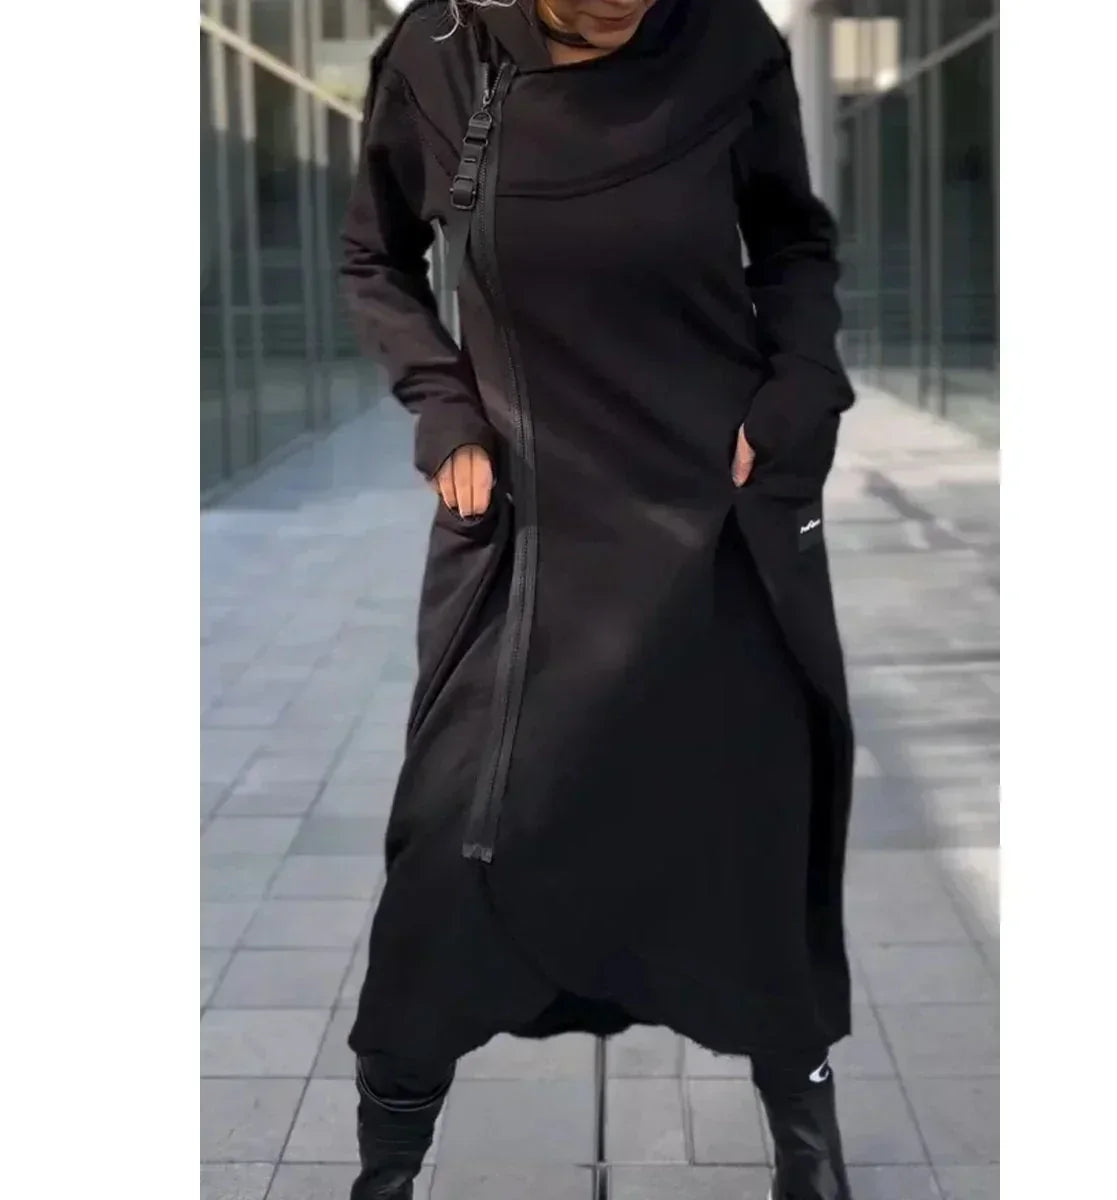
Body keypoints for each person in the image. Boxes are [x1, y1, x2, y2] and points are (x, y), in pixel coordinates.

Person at [340, 1, 858, 1197]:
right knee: (447, 858)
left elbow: (791, 241)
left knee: (754, 839)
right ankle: (386, 1174)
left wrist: (800, 389)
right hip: (525, 528)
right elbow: (377, 257)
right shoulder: (437, 54)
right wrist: (443, 406)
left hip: (713, 516)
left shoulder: (728, 41)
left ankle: (808, 1152)